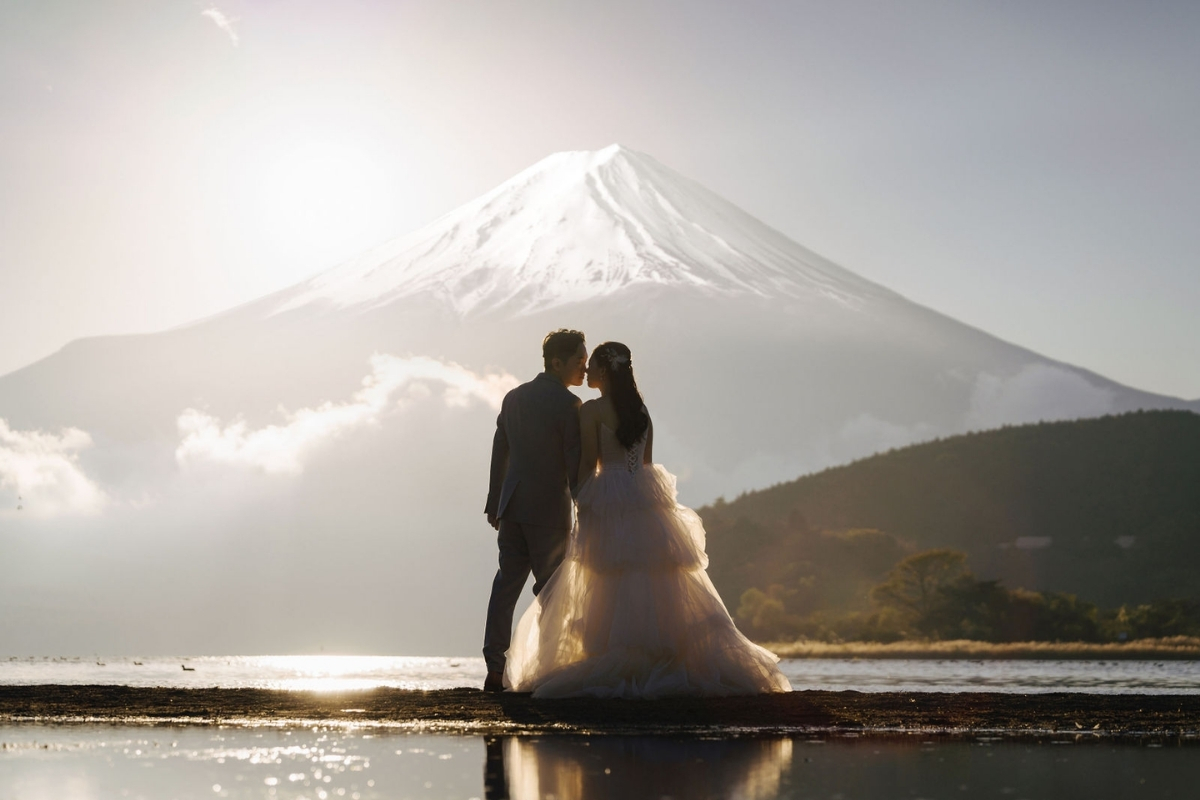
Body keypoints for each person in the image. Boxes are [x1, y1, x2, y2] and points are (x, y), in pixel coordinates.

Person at [504, 341, 792, 697]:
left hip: (607, 497)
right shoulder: (641, 412)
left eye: (591, 365)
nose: (587, 371)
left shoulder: (592, 410)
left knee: (609, 577)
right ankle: (658, 652)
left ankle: (612, 651)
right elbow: (646, 465)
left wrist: (581, 501)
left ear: (605, 371)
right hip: (642, 499)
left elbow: (586, 466)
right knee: (652, 579)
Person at [482, 329, 587, 692]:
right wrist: (584, 505)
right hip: (548, 511)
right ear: (557, 362)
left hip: (511, 506)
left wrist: (494, 500)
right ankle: (547, 669)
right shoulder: (569, 405)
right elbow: (574, 462)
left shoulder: (514, 398)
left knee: (505, 588)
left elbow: (500, 450)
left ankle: (494, 669)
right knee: (551, 593)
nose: (584, 368)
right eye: (579, 361)